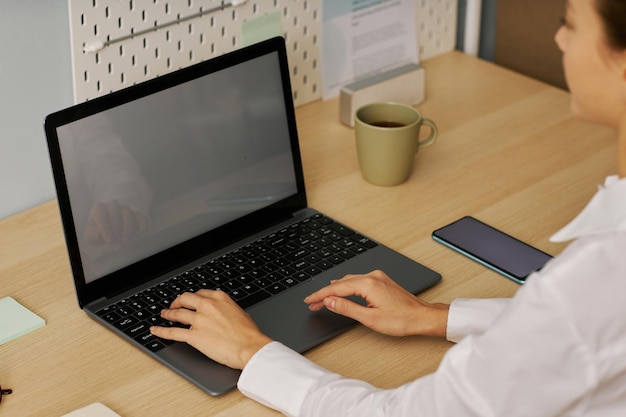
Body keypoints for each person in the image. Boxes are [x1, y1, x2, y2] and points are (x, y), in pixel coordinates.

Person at [150, 0, 626, 415]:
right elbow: (583, 337)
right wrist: (434, 316)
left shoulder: (599, 276)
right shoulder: (594, 292)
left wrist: (252, 351)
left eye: (572, 21)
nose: (560, 37)